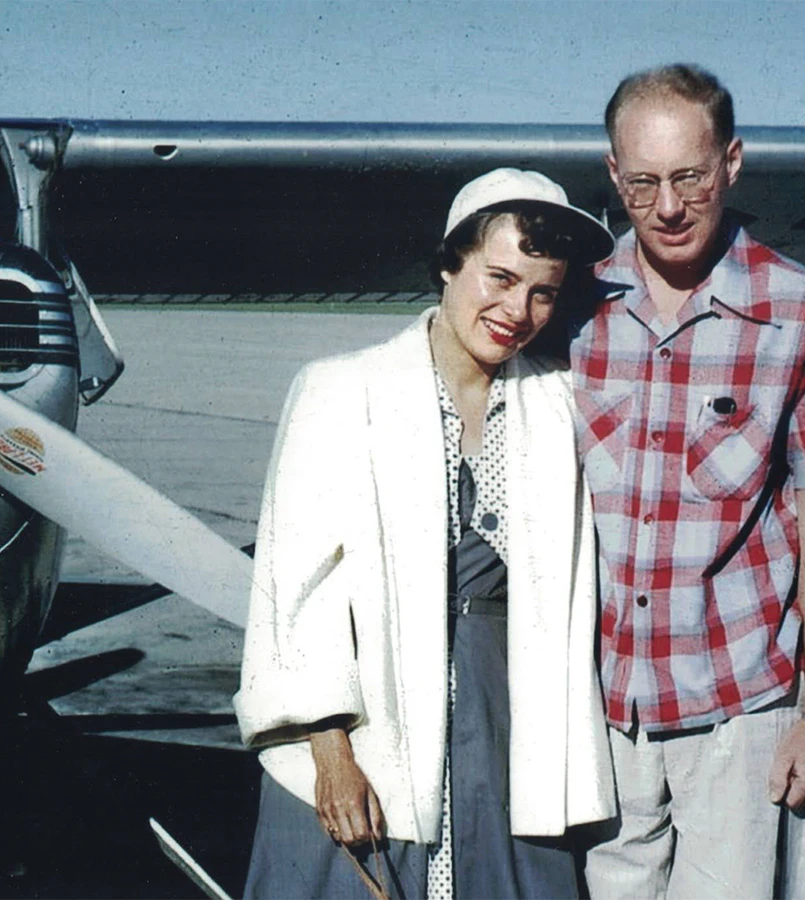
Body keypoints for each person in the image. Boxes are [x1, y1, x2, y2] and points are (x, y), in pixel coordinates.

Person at [234, 168, 617, 900]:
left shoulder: (559, 403)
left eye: (542, 291)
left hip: (507, 734)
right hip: (369, 732)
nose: (517, 310)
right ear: (448, 264)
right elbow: (297, 593)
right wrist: (331, 754)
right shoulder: (342, 390)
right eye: (499, 278)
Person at [573, 64, 805, 899]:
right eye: (641, 183)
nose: (667, 207)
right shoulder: (575, 309)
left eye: (689, 177)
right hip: (602, 727)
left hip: (741, 717)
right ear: (612, 175)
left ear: (732, 163)